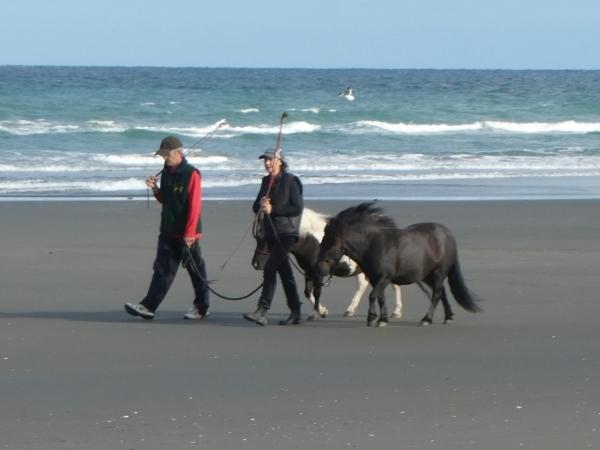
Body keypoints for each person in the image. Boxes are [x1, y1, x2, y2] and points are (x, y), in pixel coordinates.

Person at [124, 135, 209, 321]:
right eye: (163, 155)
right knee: (162, 269)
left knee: (195, 270)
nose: (164, 158)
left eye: (167, 155)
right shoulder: (167, 171)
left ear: (178, 153)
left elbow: (195, 206)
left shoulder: (192, 174)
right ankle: (148, 306)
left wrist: (189, 233)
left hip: (188, 233)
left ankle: (202, 307)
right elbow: (165, 199)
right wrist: (155, 189)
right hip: (168, 230)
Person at [244, 148, 304, 326]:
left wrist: (274, 209)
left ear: (280, 161)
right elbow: (256, 207)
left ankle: (262, 311)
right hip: (269, 232)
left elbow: (297, 208)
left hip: (287, 234)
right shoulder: (265, 181)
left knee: (270, 268)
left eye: (270, 160)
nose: (267, 163)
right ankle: (296, 311)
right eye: (265, 160)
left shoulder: (291, 181)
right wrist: (262, 205)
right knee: (285, 272)